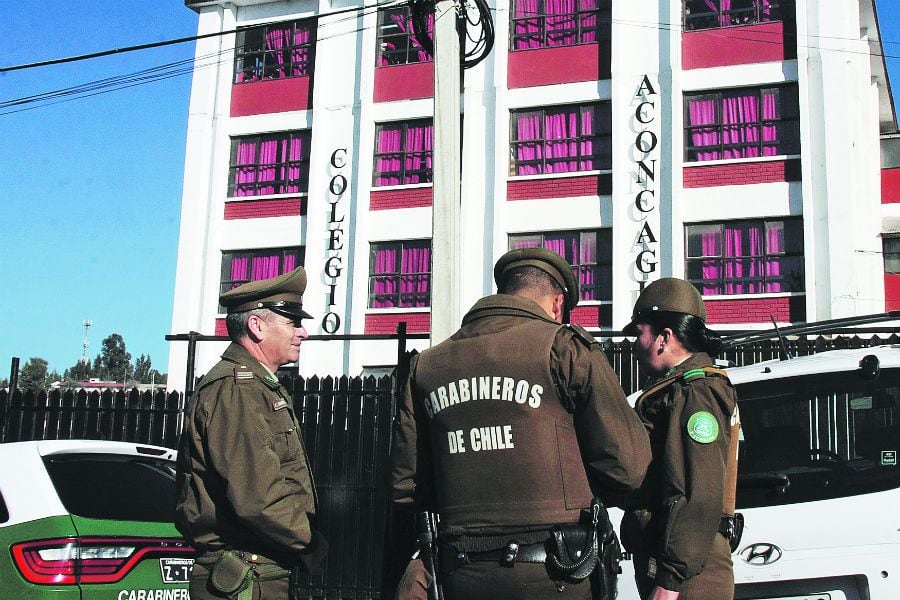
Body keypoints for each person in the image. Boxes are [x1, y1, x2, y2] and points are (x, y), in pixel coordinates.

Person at [390, 247, 652, 600]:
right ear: (558, 304)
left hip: (460, 574)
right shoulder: (566, 349)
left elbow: (406, 486)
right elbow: (628, 468)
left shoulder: (426, 366)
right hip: (557, 573)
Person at [175, 267, 327, 600]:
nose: (302, 333)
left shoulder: (254, 386)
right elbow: (257, 498)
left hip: (255, 570)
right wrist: (307, 538)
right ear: (257, 326)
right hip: (246, 576)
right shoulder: (237, 389)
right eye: (292, 323)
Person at [619, 278, 740, 600]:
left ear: (664, 337)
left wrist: (670, 580)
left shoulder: (694, 392)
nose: (635, 345)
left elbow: (696, 490)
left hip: (688, 571)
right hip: (680, 559)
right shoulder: (681, 389)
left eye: (639, 333)